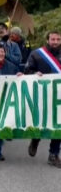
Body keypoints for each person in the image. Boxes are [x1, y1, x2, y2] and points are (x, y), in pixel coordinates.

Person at [25, 30, 61, 168]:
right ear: (47, 40)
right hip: (41, 95)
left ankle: (53, 154)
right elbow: (27, 70)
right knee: (41, 121)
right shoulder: (37, 54)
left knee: (58, 125)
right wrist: (35, 73)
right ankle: (35, 139)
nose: (56, 42)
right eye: (53, 39)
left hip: (59, 96)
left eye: (58, 39)